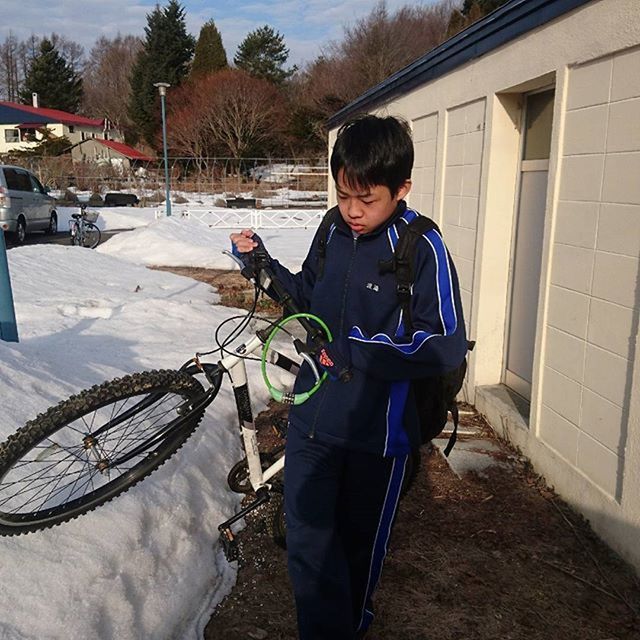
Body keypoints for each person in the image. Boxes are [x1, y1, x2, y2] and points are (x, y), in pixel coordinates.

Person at [230, 114, 467, 640]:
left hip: (377, 440)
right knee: (309, 548)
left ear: (401, 188)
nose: (353, 212)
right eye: (343, 196)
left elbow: (444, 342)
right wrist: (259, 264)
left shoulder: (421, 247)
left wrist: (360, 351)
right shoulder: (333, 228)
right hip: (312, 422)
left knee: (357, 555)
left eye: (368, 200)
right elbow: (306, 300)